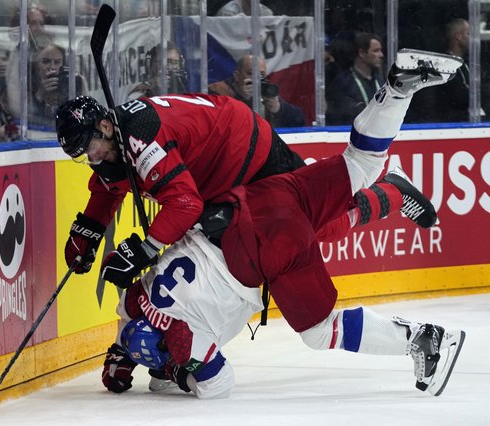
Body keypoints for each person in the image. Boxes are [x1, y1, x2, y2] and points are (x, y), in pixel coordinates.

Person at [101, 49, 466, 399]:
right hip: (256, 197)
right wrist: (120, 354)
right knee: (359, 165)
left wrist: (187, 367)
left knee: (320, 331)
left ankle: (423, 339)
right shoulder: (134, 304)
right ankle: (397, 92)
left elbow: (217, 387)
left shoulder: (188, 340)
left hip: (265, 247)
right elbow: (128, 323)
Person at [56, 52, 439, 291]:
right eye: (82, 155)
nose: (91, 157)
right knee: (302, 228)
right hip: (217, 173)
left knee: (313, 225)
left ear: (104, 127)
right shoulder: (113, 145)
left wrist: (144, 249)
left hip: (247, 151)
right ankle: (383, 193)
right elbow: (110, 187)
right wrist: (87, 231)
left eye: (89, 147)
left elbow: (184, 204)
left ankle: (390, 193)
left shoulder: (139, 135)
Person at [208, 54, 306, 128]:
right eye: (251, 73)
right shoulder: (218, 90)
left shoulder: (265, 91)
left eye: (262, 75)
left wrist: (278, 108)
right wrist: (244, 99)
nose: (257, 79)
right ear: (237, 75)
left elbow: (299, 120)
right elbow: (217, 123)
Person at [326, 32, 385, 125]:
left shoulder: (381, 81)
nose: (381, 55)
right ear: (362, 53)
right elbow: (338, 117)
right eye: (376, 51)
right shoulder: (342, 83)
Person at [29, 43, 87, 128]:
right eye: (45, 62)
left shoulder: (75, 82)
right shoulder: (28, 83)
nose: (52, 67)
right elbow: (22, 116)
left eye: (57, 62)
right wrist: (40, 95)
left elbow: (83, 116)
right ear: (36, 64)